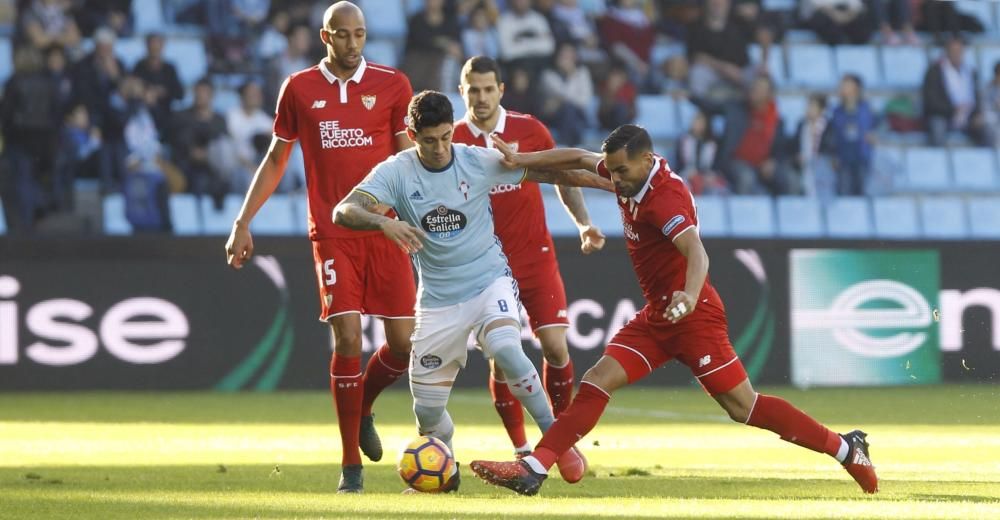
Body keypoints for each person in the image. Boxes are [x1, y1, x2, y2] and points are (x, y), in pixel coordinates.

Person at [468, 124, 879, 497]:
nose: (613, 178)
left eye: (621, 172)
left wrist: (688, 294)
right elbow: (576, 161)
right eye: (611, 170)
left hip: (694, 316)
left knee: (744, 407)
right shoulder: (631, 174)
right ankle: (534, 469)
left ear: (646, 161)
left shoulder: (663, 200)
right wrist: (520, 164)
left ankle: (846, 448)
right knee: (598, 380)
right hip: (658, 315)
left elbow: (696, 252)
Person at [333, 90, 612, 492]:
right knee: (427, 413)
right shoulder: (396, 172)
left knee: (507, 349)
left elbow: (554, 173)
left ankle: (556, 439)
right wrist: (383, 223)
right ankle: (446, 472)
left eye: (446, 136)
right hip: (437, 301)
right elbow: (343, 210)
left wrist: (615, 184)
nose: (440, 147)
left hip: (488, 281)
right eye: (430, 140)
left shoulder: (473, 160)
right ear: (412, 135)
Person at [224, 1, 417, 494]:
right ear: (324, 36)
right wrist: (243, 221)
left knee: (402, 345)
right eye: (343, 35)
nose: (353, 44)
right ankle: (350, 465)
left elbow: (407, 162)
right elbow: (275, 158)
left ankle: (366, 405)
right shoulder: (299, 88)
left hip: (385, 229)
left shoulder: (393, 84)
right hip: (332, 233)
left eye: (361, 34)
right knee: (348, 339)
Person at [451, 56, 606, 471]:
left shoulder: (530, 129)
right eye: (473, 90)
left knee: (556, 348)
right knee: (503, 356)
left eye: (488, 89)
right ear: (461, 91)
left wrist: (584, 224)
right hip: (484, 266)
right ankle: (522, 447)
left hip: (534, 256)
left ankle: (558, 440)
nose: (481, 97)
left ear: (501, 90)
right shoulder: (453, 140)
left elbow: (563, 177)